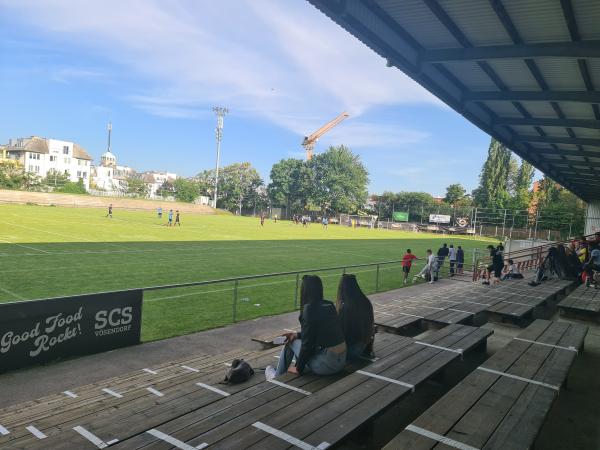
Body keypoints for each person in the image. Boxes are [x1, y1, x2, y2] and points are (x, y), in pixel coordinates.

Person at [267, 275, 347, 378]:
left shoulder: (309, 309)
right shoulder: (329, 305)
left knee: (290, 342)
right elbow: (318, 334)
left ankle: (276, 376)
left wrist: (298, 368)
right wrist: (296, 334)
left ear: (305, 290)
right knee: (294, 339)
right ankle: (295, 366)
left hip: (327, 366)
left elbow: (307, 344)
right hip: (341, 361)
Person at [336, 274, 375, 360]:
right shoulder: (365, 301)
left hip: (353, 350)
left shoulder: (346, 307)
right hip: (365, 345)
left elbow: (342, 335)